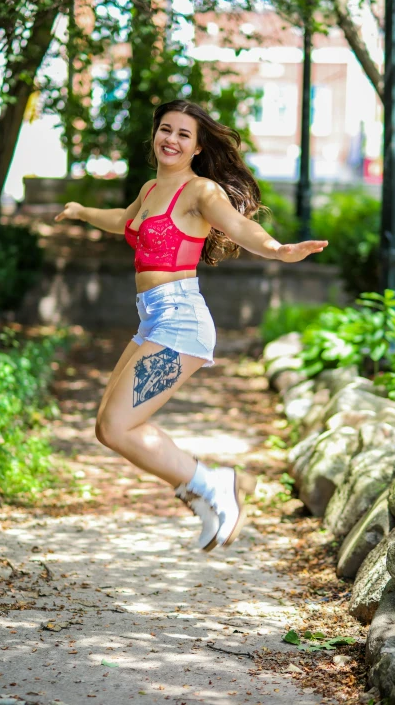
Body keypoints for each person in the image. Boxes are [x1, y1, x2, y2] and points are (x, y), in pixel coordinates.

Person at [55, 99, 327, 552]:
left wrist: (278, 250)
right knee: (108, 427)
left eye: (184, 134)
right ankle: (204, 488)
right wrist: (82, 211)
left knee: (119, 426)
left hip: (180, 320)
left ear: (198, 147)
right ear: (155, 135)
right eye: (166, 129)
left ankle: (213, 485)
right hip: (153, 318)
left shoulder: (201, 192)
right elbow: (123, 221)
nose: (172, 140)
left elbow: (239, 227)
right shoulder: (148, 191)